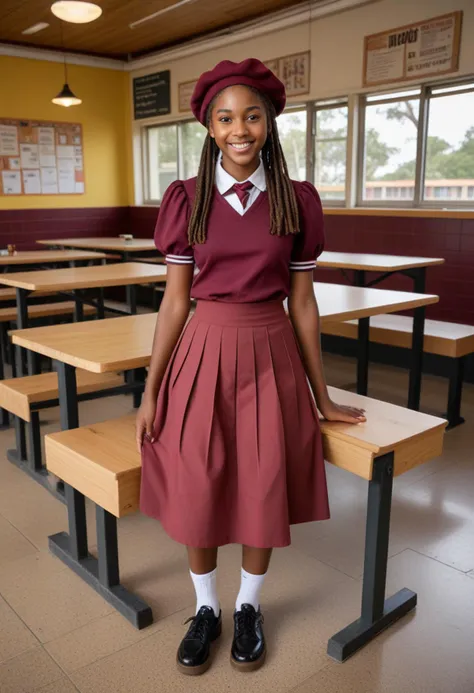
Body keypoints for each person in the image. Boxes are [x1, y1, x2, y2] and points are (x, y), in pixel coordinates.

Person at [136, 57, 366, 677]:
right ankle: (205, 608)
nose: (240, 129)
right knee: (198, 480)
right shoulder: (187, 199)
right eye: (226, 118)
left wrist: (324, 400)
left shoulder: (296, 201)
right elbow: (176, 302)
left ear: (269, 122)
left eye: (252, 116)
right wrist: (151, 390)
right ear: (209, 127)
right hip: (201, 352)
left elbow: (304, 304)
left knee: (264, 482)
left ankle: (247, 607)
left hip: (271, 353)